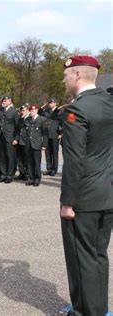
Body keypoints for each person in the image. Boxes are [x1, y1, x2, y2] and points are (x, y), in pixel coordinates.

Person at [59, 55, 113, 315]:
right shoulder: (109, 102)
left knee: (82, 258)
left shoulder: (75, 110)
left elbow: (74, 160)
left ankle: (85, 312)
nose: (64, 79)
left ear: (77, 75)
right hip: (109, 191)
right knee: (99, 255)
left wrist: (67, 202)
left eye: (66, 74)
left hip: (86, 197)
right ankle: (98, 309)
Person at [24, 104, 46, 186]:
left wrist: (44, 145)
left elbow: (45, 134)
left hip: (36, 144)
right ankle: (31, 178)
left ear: (37, 110)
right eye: (30, 110)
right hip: (29, 144)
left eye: (33, 110)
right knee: (29, 162)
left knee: (37, 163)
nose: (32, 111)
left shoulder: (42, 119)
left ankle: (37, 178)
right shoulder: (28, 119)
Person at [40, 98, 61, 176]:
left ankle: (54, 169)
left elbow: (62, 122)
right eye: (49, 103)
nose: (50, 104)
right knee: (47, 152)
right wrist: (42, 107)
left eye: (52, 103)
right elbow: (39, 113)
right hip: (46, 134)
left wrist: (61, 133)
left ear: (55, 103)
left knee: (54, 153)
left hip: (55, 133)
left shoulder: (59, 111)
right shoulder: (46, 111)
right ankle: (48, 168)